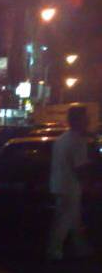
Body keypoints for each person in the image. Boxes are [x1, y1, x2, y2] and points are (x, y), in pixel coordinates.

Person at [47, 105, 94, 261]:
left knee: (73, 219)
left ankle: (80, 248)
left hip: (59, 184)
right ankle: (54, 252)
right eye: (85, 117)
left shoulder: (62, 139)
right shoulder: (77, 141)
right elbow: (80, 168)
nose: (88, 120)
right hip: (70, 187)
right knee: (64, 221)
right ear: (79, 119)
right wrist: (89, 186)